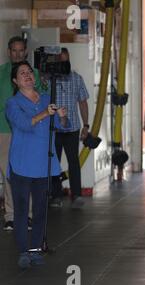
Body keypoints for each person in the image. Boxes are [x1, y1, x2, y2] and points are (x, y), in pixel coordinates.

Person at [6, 61, 68, 268]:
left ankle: (35, 250)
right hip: (22, 164)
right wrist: (46, 114)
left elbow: (61, 126)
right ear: (15, 81)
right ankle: (23, 251)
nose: (27, 75)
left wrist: (62, 116)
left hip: (44, 164)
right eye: (22, 73)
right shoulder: (13, 103)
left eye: (30, 72)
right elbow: (24, 124)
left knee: (41, 210)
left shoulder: (46, 100)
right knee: (22, 210)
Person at [0, 36, 42, 231]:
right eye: (13, 51)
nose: (17, 54)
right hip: (5, 130)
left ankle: (28, 215)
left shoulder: (32, 74)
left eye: (20, 50)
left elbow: (40, 100)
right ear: (9, 52)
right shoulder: (1, 73)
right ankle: (10, 216)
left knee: (28, 173)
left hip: (29, 131)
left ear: (25, 52)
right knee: (8, 174)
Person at [50, 48, 89, 209]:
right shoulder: (49, 79)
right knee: (54, 163)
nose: (64, 64)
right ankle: (55, 195)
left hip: (72, 128)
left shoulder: (77, 79)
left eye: (66, 60)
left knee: (74, 162)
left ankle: (77, 195)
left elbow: (83, 103)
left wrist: (86, 125)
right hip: (54, 129)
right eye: (61, 61)